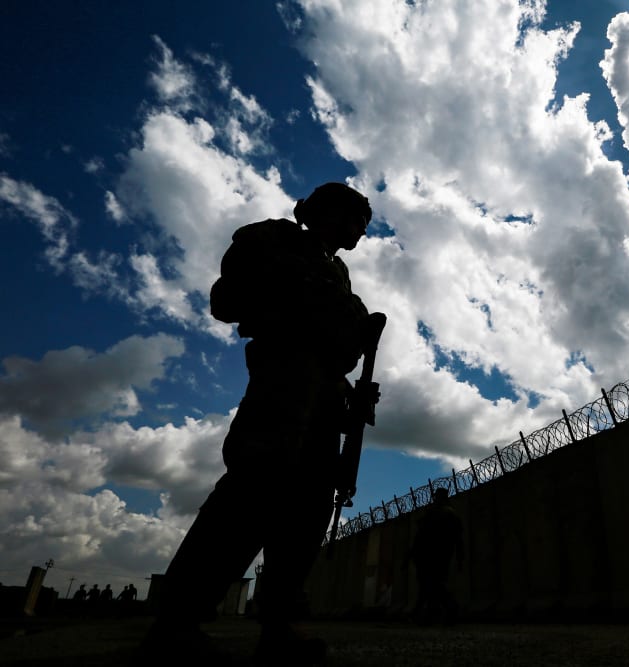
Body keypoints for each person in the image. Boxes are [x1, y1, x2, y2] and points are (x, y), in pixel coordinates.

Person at [137, 182, 382, 665]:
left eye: (362, 225)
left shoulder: (340, 271)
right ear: (318, 211)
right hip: (283, 380)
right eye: (350, 217)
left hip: (327, 395)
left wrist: (351, 391)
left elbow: (338, 346)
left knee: (307, 511)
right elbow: (227, 300)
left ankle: (279, 623)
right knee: (252, 492)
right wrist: (308, 297)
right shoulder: (274, 239)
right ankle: (178, 620)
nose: (356, 230)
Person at [409, 487, 464, 624]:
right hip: (434, 554)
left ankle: (446, 610)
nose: (435, 499)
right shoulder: (444, 513)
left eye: (437, 497)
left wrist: (459, 556)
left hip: (434, 554)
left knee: (432, 584)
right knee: (430, 584)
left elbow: (422, 535)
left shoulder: (441, 513)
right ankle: (430, 613)